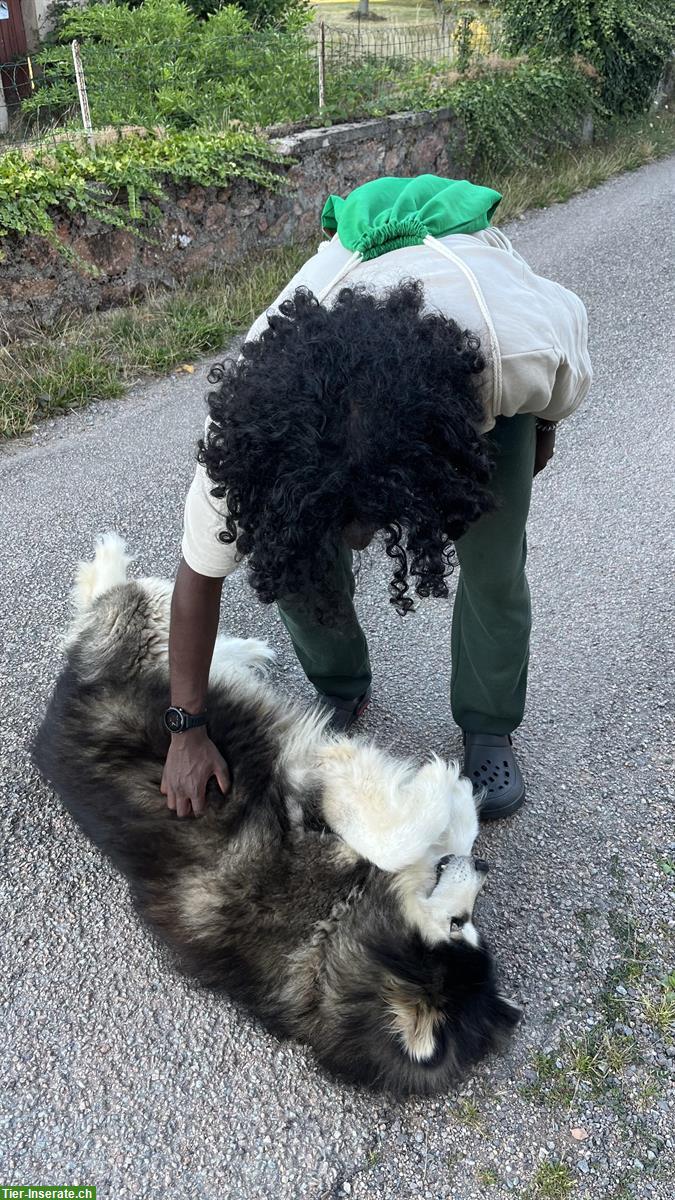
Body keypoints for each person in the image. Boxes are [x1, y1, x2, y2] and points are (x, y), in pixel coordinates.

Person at [160, 175, 592, 823]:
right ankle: (338, 683)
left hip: (468, 362)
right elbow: (197, 578)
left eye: (368, 516)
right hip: (349, 318)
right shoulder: (248, 431)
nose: (361, 540)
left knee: (495, 563)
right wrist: (184, 730)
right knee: (296, 558)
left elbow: (561, 375)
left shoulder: (511, 358)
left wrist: (541, 429)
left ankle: (488, 722)